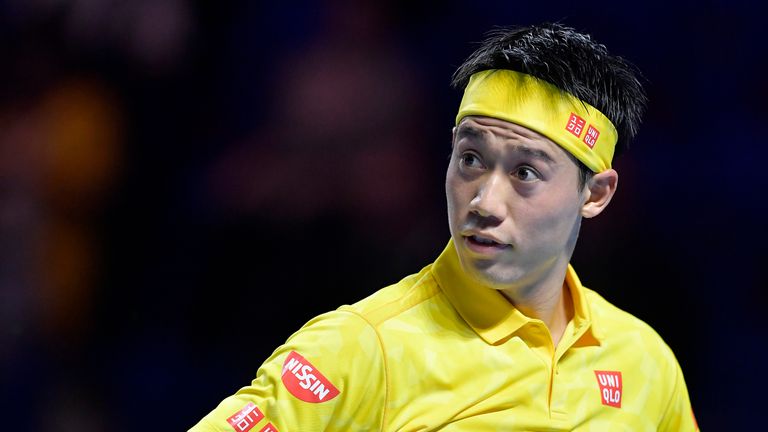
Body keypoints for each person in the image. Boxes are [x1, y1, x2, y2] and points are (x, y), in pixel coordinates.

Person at [189, 23, 698, 431]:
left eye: (525, 172)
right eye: (471, 158)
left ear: (595, 194)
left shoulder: (646, 362)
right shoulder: (361, 348)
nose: (483, 200)